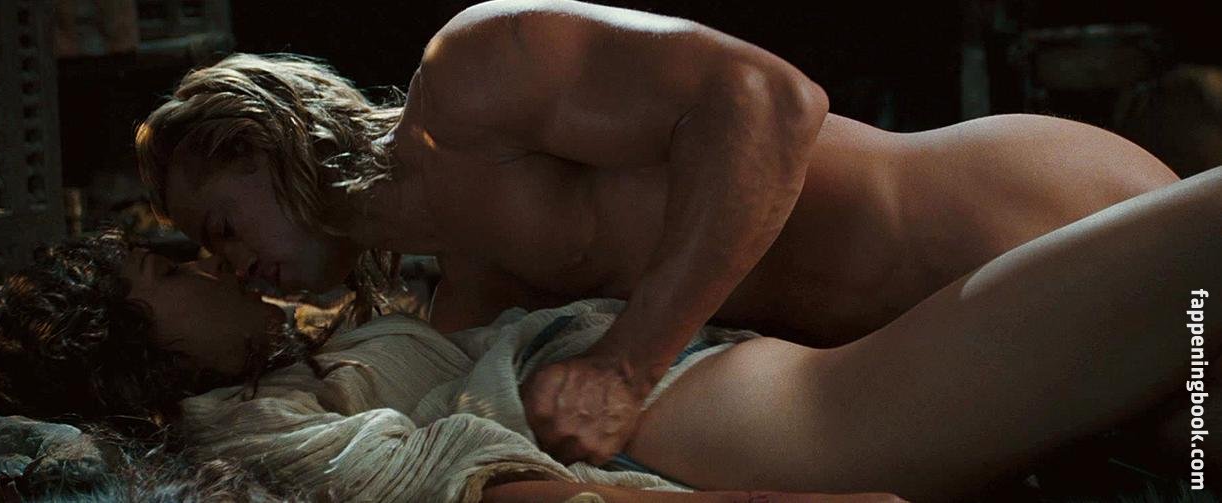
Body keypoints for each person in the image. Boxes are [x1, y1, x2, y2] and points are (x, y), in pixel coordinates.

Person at [133, 0, 1181, 465]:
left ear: (258, 141)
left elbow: (770, 100)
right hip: (974, 331)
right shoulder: (473, 276)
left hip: (1020, 208)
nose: (238, 267)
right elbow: (431, 410)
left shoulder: (475, 73)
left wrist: (629, 362)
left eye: (221, 226)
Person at [0, 166, 1222, 501]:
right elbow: (459, 478)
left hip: (657, 373)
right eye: (168, 269)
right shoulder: (236, 423)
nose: (204, 264)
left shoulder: (292, 357)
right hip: (678, 418)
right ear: (130, 335)